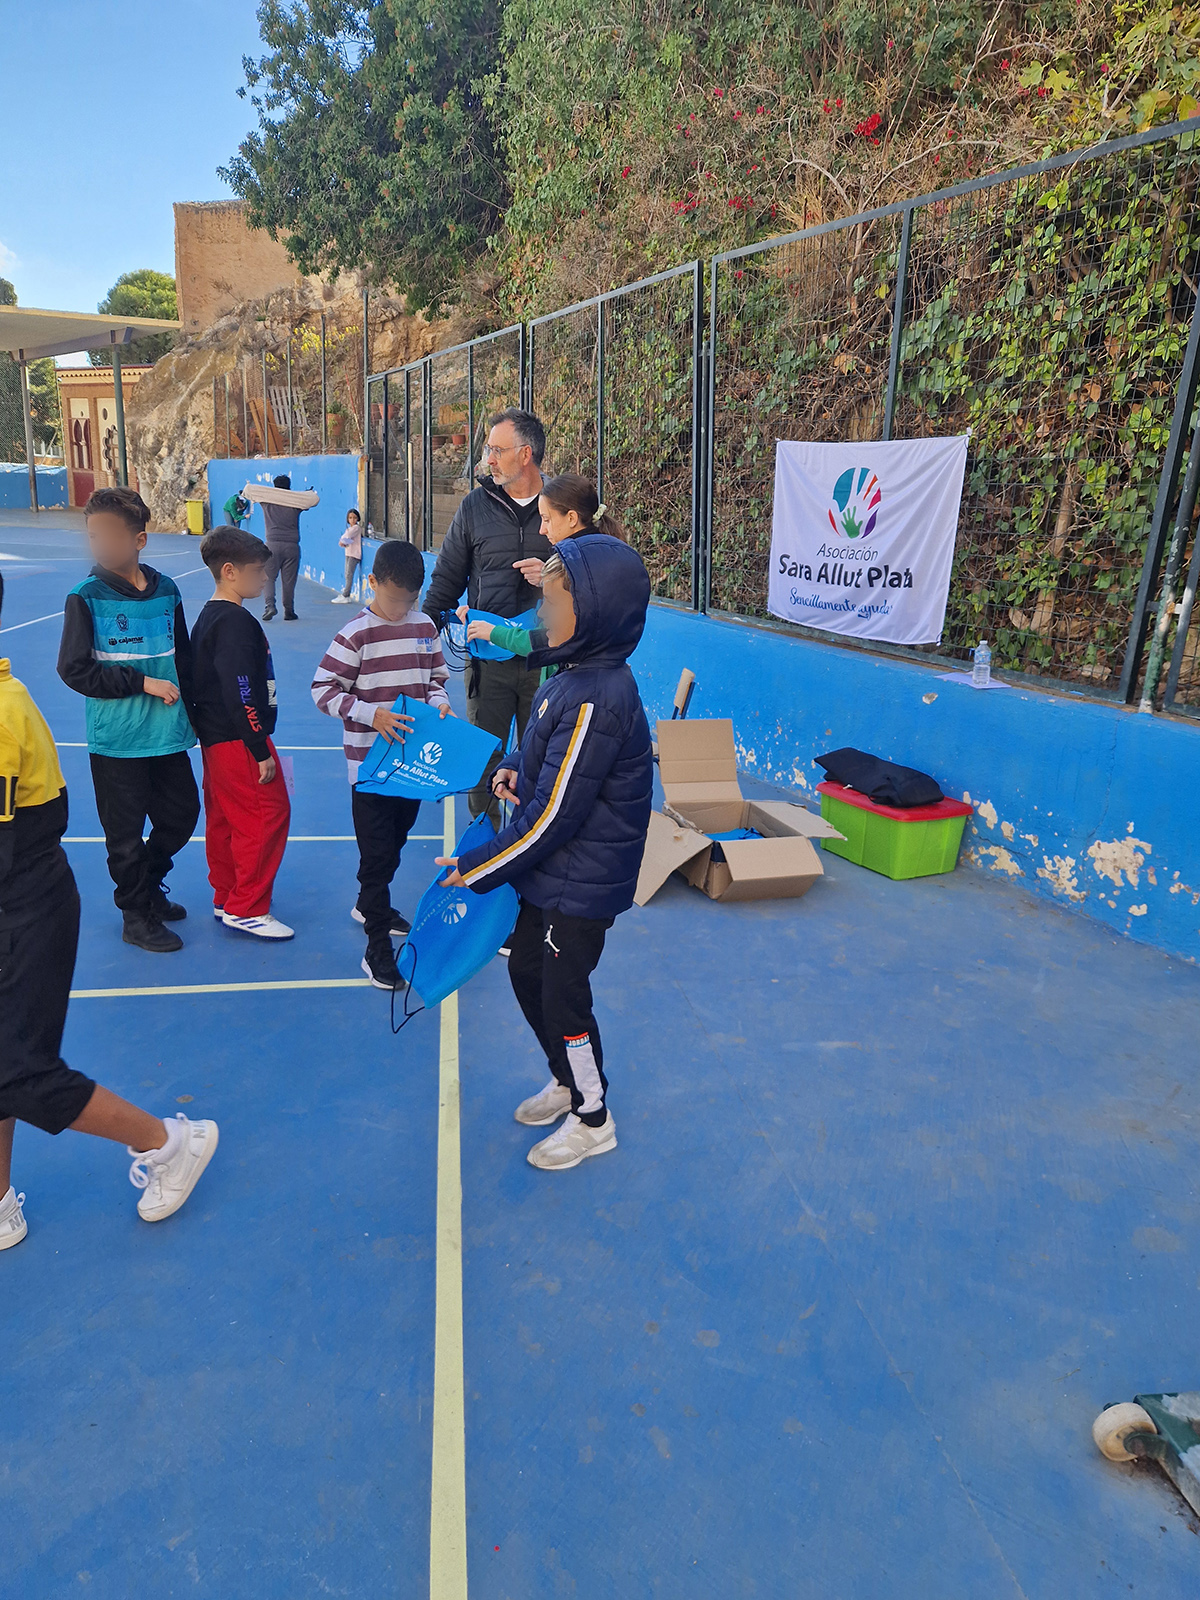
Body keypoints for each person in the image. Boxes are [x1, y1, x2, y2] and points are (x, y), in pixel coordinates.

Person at [1, 571, 217, 1252]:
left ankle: (170, 1142)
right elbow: (79, 668)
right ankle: (0, 1197)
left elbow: (28, 834)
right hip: (103, 766)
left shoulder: (4, 712)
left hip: (23, 907)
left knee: (17, 1070)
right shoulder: (77, 611)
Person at [437, 535, 653, 1171]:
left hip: (579, 884)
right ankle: (566, 1078)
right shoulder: (570, 675)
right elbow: (541, 753)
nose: (542, 616)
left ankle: (593, 1116)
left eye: (554, 602)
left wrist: (477, 868)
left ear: (596, 613)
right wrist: (511, 768)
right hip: (552, 877)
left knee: (564, 995)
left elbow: (555, 817)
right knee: (525, 968)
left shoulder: (598, 695)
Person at [57, 486, 200, 954]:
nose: (99, 545)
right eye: (92, 535)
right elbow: (75, 669)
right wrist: (141, 682)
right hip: (117, 742)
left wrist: (196, 715)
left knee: (181, 817)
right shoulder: (86, 596)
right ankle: (135, 916)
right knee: (123, 837)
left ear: (139, 540)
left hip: (168, 734)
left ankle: (148, 884)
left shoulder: (168, 591)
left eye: (109, 535)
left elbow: (184, 657)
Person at [312, 539, 453, 990]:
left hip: (410, 769)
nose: (400, 608)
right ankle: (376, 949)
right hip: (369, 770)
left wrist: (441, 702)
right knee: (375, 857)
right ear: (371, 583)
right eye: (392, 599)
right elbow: (322, 690)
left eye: (408, 601)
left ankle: (369, 903)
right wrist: (370, 713)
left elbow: (434, 679)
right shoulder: (355, 634)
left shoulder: (425, 626)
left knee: (393, 845)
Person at [422, 409, 554, 820]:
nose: (488, 460)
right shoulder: (473, 508)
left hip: (546, 660)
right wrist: (421, 641)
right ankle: (485, 852)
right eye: (487, 450)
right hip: (486, 662)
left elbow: (590, 573)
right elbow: (445, 581)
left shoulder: (562, 506)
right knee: (485, 763)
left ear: (526, 454)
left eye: (497, 450)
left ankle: (532, 847)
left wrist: (550, 574)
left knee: (544, 760)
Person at [189, 526, 293, 940]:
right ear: (229, 572)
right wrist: (258, 746)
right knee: (267, 815)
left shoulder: (211, 616)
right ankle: (247, 906)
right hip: (238, 739)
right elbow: (241, 688)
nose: (265, 578)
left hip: (217, 740)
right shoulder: (233, 622)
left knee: (226, 818)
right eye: (257, 571)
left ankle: (228, 894)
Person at [465, 473, 626, 668]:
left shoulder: (579, 567)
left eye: (546, 519)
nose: (542, 529)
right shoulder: (602, 556)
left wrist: (494, 632)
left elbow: (546, 639)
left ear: (572, 518)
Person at [261, 473, 318, 622]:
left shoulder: (267, 502)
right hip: (291, 547)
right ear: (289, 487)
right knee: (289, 581)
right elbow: (313, 501)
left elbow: (249, 493)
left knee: (269, 578)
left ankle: (269, 606)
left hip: (271, 545)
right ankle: (289, 611)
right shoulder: (294, 503)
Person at [332, 508, 364, 603]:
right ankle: (346, 594)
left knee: (349, 574)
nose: (352, 520)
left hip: (354, 555)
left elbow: (346, 536)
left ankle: (346, 595)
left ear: (358, 518)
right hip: (349, 553)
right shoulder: (349, 528)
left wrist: (342, 541)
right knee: (347, 574)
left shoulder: (356, 528)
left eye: (354, 518)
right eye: (350, 518)